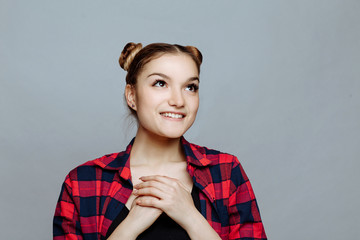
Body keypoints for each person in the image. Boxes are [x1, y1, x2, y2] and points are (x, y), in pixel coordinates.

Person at [53, 42, 267, 240]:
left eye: (190, 87)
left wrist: (190, 217)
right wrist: (130, 226)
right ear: (132, 96)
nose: (178, 100)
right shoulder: (83, 182)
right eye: (160, 83)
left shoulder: (226, 172)